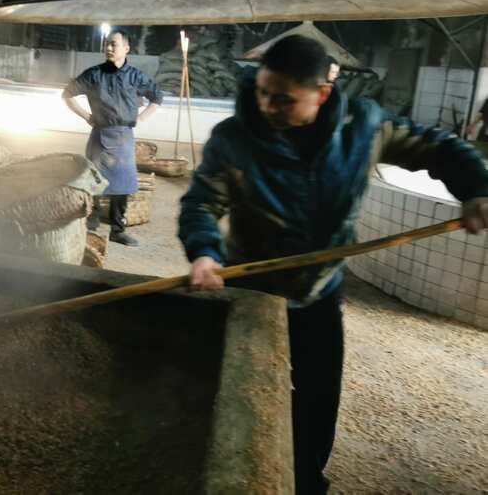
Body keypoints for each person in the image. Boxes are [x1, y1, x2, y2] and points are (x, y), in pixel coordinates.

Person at [178, 35, 488, 495]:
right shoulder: (235, 138)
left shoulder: (363, 127)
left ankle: (305, 482)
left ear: (322, 94)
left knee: (316, 402)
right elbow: (202, 203)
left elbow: (438, 148)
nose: (266, 104)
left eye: (283, 98)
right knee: (239, 394)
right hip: (252, 292)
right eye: (262, 91)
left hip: (319, 293)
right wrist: (205, 252)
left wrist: (477, 188)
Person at [62, 29, 163, 246]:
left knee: (123, 186)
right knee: (95, 181)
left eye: (113, 44)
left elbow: (157, 96)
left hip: (124, 137)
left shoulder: (136, 76)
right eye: (107, 44)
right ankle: (91, 224)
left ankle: (118, 230)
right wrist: (87, 116)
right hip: (100, 134)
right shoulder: (93, 74)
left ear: (126, 48)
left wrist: (141, 118)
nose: (108, 48)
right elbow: (67, 94)